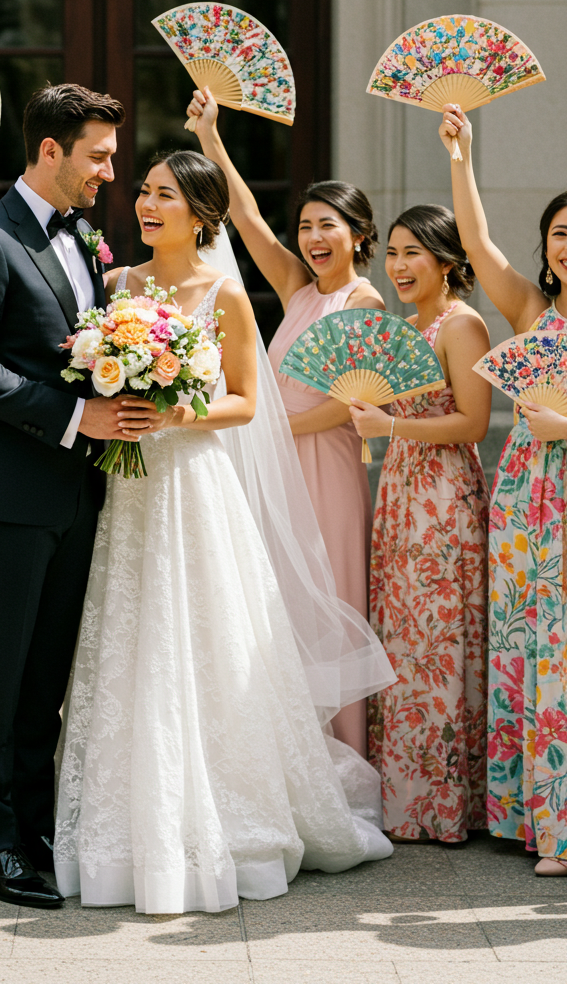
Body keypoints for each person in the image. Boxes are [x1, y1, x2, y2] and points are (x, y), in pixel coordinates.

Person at [54, 150, 394, 914]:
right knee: (131, 638)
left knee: (205, 638)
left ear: (202, 213)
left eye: (164, 195)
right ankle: (126, 829)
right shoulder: (118, 288)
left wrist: (182, 410)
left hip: (197, 482)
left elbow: (247, 402)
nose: (146, 203)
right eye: (143, 192)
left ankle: (233, 818)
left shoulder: (226, 295)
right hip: (130, 484)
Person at [0, 83, 128, 910]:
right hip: (7, 493)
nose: (109, 173)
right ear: (50, 151)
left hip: (77, 492)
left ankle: (40, 832)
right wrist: (79, 415)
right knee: (0, 673)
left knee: (46, 675)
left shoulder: (84, 239)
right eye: (98, 155)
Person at [190, 87, 383, 756]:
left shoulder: (364, 298)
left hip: (326, 465)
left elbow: (356, 407)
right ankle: (291, 754)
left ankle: (345, 757)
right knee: (279, 603)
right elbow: (246, 221)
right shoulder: (300, 290)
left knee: (329, 600)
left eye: (327, 224)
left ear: (358, 234)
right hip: (276, 469)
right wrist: (212, 139)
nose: (312, 237)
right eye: (305, 226)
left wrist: (272, 427)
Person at [440, 103, 567, 876]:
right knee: (528, 646)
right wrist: (461, 156)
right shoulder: (533, 310)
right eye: (560, 233)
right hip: (526, 503)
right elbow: (478, 247)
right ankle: (534, 816)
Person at [349, 205, 490, 842]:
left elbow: (473, 423)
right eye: (395, 252)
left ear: (448, 262)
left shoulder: (463, 326)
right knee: (405, 642)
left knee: (440, 643)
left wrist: (391, 425)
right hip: (402, 490)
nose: (398, 266)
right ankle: (408, 801)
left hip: (442, 498)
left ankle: (447, 803)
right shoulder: (407, 326)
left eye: (413, 253)